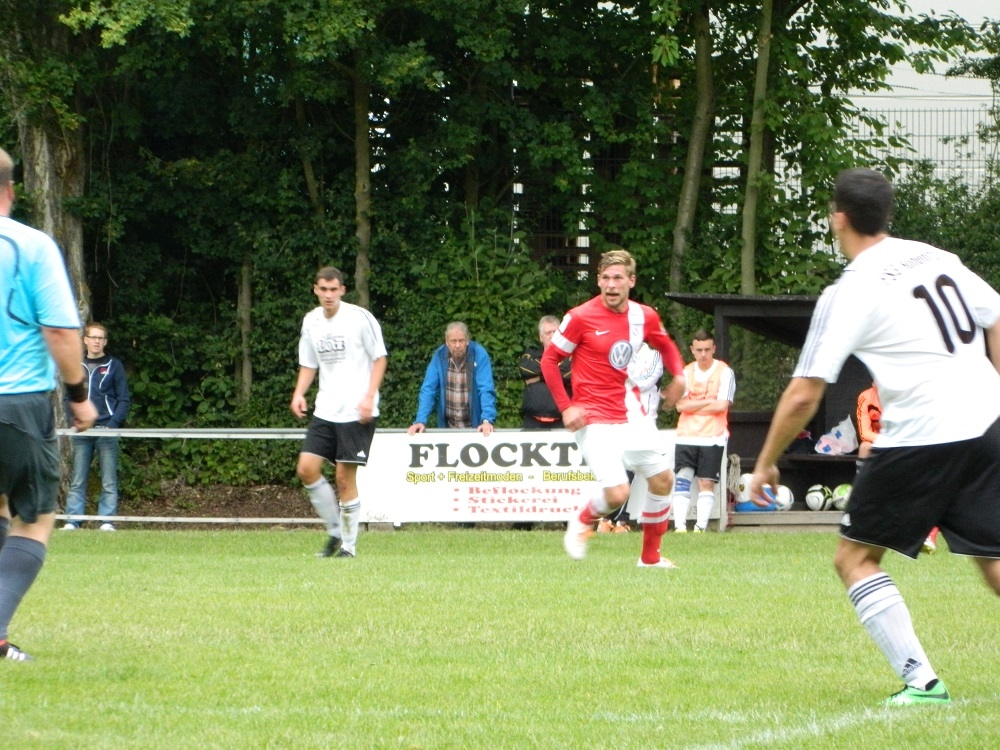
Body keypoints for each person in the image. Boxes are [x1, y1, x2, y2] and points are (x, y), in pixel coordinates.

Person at [749, 167, 1000, 706]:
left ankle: (922, 683)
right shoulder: (934, 257)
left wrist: (766, 461)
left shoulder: (851, 290)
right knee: (995, 560)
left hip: (922, 437)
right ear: (886, 214)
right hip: (987, 421)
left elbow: (804, 394)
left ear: (838, 218)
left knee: (855, 559)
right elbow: (995, 316)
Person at [0, 146, 98, 661]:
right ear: (11, 190)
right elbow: (59, 331)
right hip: (17, 402)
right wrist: (79, 396)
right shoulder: (30, 245)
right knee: (34, 517)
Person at [541, 248, 686, 568]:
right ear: (598, 280)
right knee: (619, 493)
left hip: (631, 412)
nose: (611, 284)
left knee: (663, 480)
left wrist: (680, 375)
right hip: (592, 416)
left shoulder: (644, 316)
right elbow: (549, 360)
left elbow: (665, 345)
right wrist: (566, 407)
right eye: (605, 278)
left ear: (631, 281)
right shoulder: (580, 317)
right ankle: (582, 518)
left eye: (618, 278)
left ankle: (650, 559)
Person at [291, 266, 387, 559]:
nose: (328, 295)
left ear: (343, 290)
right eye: (323, 289)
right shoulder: (311, 322)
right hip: (325, 410)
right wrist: (299, 392)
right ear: (315, 290)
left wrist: (369, 397)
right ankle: (335, 531)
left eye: (334, 289)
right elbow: (309, 363)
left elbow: (380, 358)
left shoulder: (359, 318)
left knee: (344, 479)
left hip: (356, 412)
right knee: (306, 469)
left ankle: (348, 546)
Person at [62, 322, 131, 531]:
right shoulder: (75, 364)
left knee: (109, 480)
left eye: (100, 338)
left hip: (106, 430)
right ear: (85, 340)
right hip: (82, 430)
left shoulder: (114, 365)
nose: (97, 341)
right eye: (93, 337)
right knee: (78, 479)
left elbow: (124, 399)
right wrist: (73, 420)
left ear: (105, 342)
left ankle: (107, 521)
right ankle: (73, 520)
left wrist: (112, 424)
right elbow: (68, 398)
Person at [857, 383, 938, 554]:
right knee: (865, 447)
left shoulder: (904, 395)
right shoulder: (865, 396)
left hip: (905, 445)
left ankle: (928, 532)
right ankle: (861, 499)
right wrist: (889, 441)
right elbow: (865, 433)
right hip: (882, 444)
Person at [671, 330, 735, 533]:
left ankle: (700, 528)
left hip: (713, 436)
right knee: (682, 479)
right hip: (686, 435)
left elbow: (722, 406)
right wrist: (709, 402)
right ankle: (680, 527)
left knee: (706, 483)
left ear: (714, 348)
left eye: (707, 349)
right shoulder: (685, 372)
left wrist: (693, 405)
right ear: (692, 350)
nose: (703, 354)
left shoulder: (725, 372)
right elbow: (679, 405)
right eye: (699, 350)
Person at [599, 341, 664, 533]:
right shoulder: (618, 352)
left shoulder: (653, 356)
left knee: (632, 468)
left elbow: (644, 382)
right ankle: (614, 519)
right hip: (618, 417)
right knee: (616, 467)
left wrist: (620, 378)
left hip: (643, 421)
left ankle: (618, 520)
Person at [407, 322, 497, 437]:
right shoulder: (439, 356)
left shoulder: (479, 354)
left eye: (461, 340)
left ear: (467, 340)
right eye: (453, 341)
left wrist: (487, 420)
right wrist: (420, 420)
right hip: (447, 430)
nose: (457, 345)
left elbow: (486, 389)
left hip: (476, 429)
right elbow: (428, 389)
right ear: (446, 342)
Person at [519, 315, 570, 430]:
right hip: (532, 422)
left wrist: (538, 378)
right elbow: (525, 370)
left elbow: (567, 375)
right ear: (540, 337)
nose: (552, 336)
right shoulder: (531, 355)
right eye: (548, 333)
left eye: (555, 332)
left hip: (562, 422)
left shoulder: (569, 357)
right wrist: (553, 372)